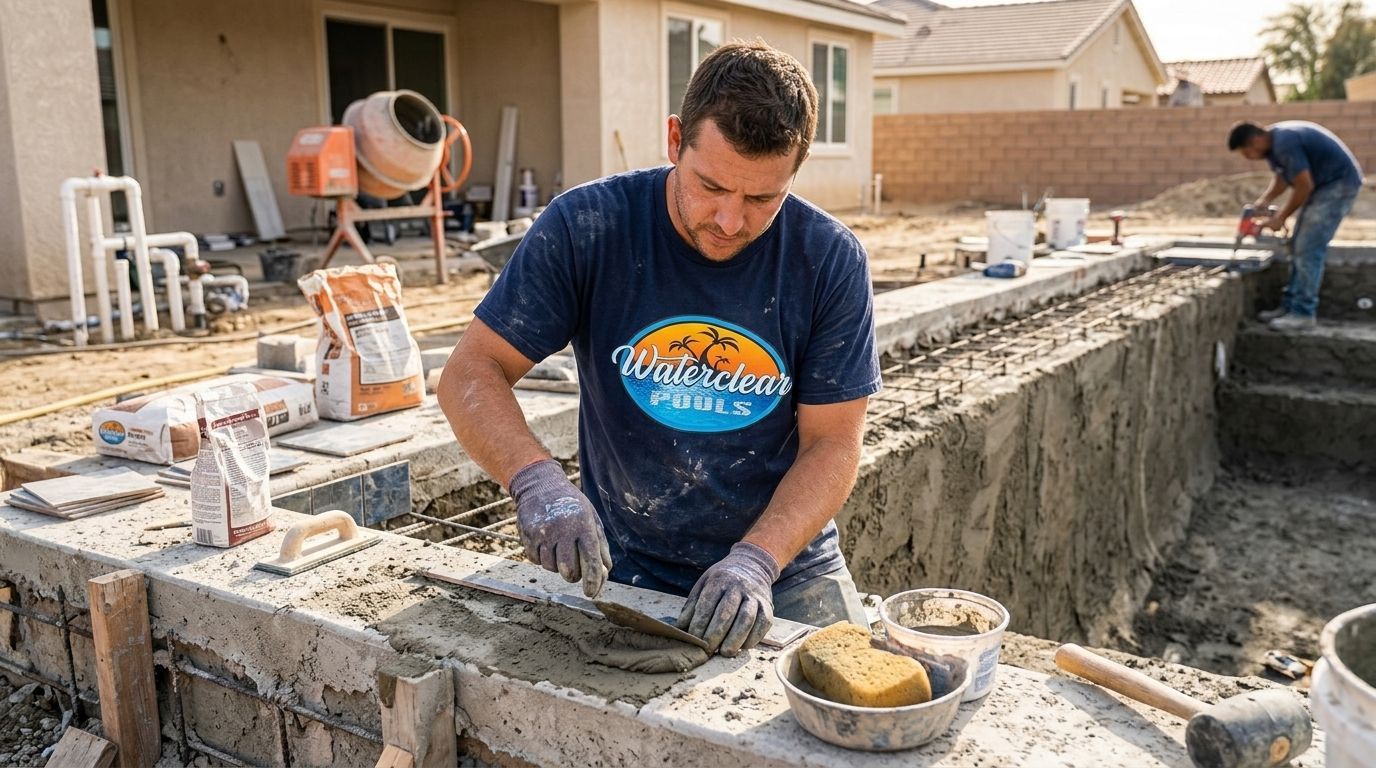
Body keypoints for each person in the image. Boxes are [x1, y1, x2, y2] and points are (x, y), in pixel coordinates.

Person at [437, 40, 880, 657]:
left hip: (786, 569)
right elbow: (470, 372)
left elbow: (833, 442)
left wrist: (757, 560)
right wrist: (537, 482)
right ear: (675, 140)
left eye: (762, 199)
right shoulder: (587, 229)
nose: (730, 221)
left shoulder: (826, 257)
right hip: (626, 565)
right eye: (711, 186)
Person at [1228, 120, 1364, 330]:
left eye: (1247, 153)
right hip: (1325, 185)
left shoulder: (1285, 142)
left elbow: (1304, 185)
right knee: (1297, 245)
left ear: (1255, 140)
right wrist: (1265, 201)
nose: (1249, 158)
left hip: (1339, 184)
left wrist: (1280, 218)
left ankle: (1303, 313)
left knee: (1308, 248)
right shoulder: (1275, 146)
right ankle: (1291, 305)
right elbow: (1283, 178)